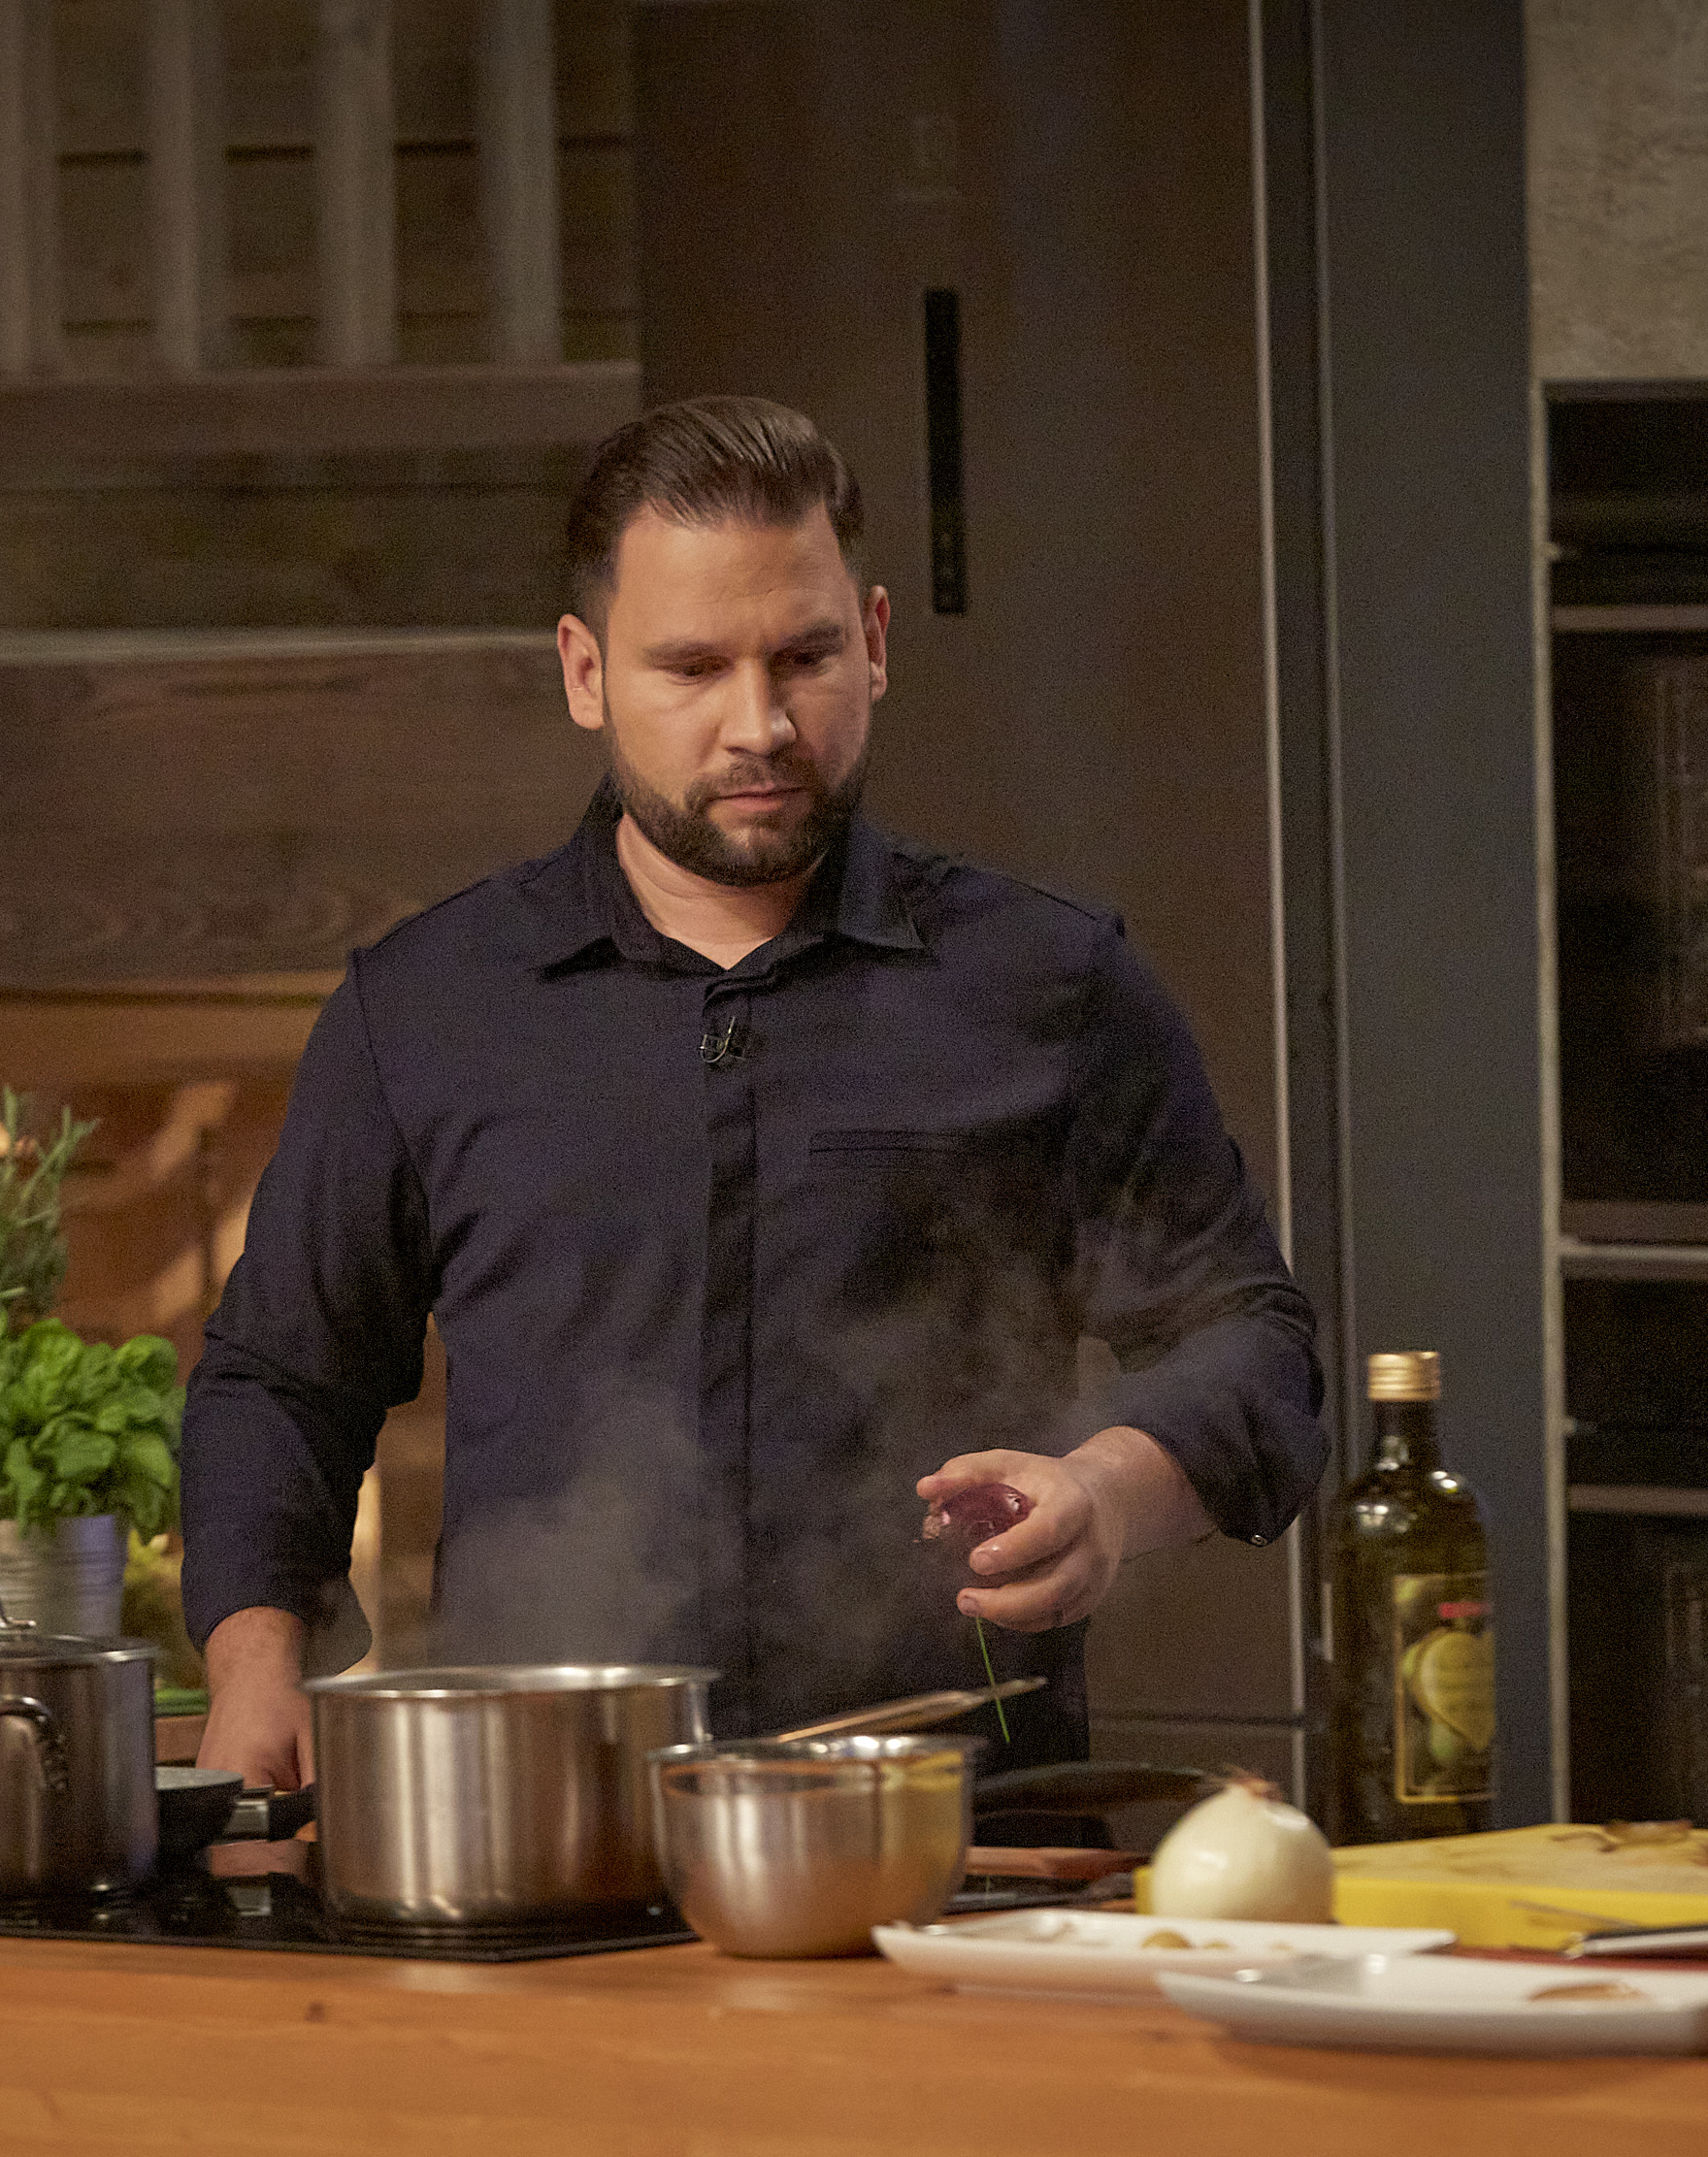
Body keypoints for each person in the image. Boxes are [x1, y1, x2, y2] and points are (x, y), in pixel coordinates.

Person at [181, 395, 1327, 1787]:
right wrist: (256, 1662)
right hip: (544, 1823)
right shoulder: (423, 1007)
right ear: (585, 672)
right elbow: (280, 1381)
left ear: (876, 644)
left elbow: (1253, 1343)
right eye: (691, 667)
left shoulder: (1053, 983)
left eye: (804, 657)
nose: (760, 724)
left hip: (953, 1824)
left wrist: (1105, 1492)